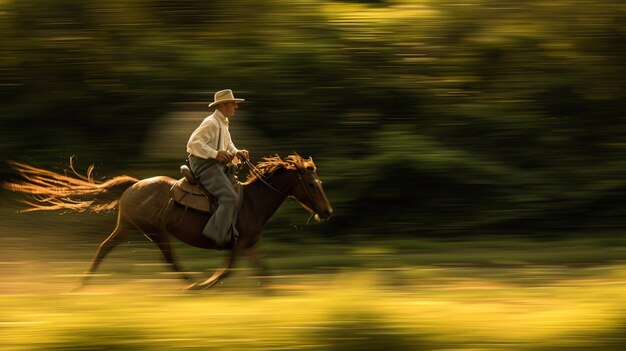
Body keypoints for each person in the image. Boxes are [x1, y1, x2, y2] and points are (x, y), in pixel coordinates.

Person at [186, 89, 250, 248]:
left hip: (214, 165)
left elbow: (228, 146)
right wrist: (215, 154)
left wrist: (237, 152)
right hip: (205, 166)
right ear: (222, 105)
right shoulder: (211, 122)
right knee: (230, 198)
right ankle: (214, 236)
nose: (236, 107)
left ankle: (229, 231)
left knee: (237, 192)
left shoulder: (223, 122)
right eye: (233, 104)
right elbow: (193, 143)